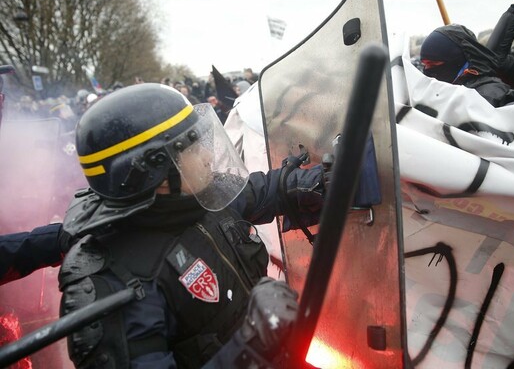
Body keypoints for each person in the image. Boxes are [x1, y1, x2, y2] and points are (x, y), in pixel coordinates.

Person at [56, 83, 325, 368]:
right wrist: (250, 345)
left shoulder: (190, 200)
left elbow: (261, 191)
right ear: (156, 171)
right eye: (193, 148)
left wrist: (323, 182)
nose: (208, 157)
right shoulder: (111, 285)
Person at [419, 24, 514, 107]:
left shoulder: (489, 93)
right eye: (424, 64)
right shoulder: (433, 89)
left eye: (433, 64)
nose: (427, 70)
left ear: (457, 61)